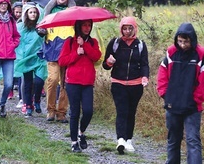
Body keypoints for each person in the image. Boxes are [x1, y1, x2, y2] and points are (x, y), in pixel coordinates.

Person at [157, 22, 204, 164]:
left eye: (186, 42)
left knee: (192, 140)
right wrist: (165, 94)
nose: (183, 45)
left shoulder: (200, 55)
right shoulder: (171, 52)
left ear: (192, 40)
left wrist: (196, 99)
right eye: (180, 41)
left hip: (192, 107)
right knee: (173, 139)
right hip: (173, 104)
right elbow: (162, 75)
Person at [102, 16, 149, 154]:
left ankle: (129, 140)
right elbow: (105, 65)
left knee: (131, 112)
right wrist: (109, 62)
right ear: (121, 29)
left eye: (130, 28)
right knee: (122, 111)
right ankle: (120, 140)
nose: (127, 31)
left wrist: (145, 77)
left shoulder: (140, 45)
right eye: (124, 28)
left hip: (136, 84)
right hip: (118, 83)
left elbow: (144, 64)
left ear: (135, 29)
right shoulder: (115, 43)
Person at [58, 19, 101, 152]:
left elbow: (97, 56)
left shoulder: (93, 42)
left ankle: (81, 132)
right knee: (75, 112)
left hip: (88, 82)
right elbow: (62, 60)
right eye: (84, 25)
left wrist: (85, 46)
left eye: (89, 25)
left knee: (88, 111)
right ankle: (74, 142)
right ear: (78, 26)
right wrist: (76, 53)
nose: (87, 28)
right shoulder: (70, 42)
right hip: (73, 82)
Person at [37, 0, 75, 123]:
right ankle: (50, 110)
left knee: (65, 83)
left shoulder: (73, 12)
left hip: (67, 52)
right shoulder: (48, 11)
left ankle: (62, 112)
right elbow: (41, 28)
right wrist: (40, 31)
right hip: (52, 50)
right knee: (52, 81)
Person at [14, 3, 47, 117]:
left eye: (35, 12)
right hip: (26, 58)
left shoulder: (41, 27)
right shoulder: (21, 27)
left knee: (39, 81)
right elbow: (16, 40)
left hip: (39, 58)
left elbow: (47, 40)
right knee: (27, 83)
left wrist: (43, 34)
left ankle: (37, 100)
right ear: (27, 14)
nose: (33, 14)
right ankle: (28, 105)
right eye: (31, 12)